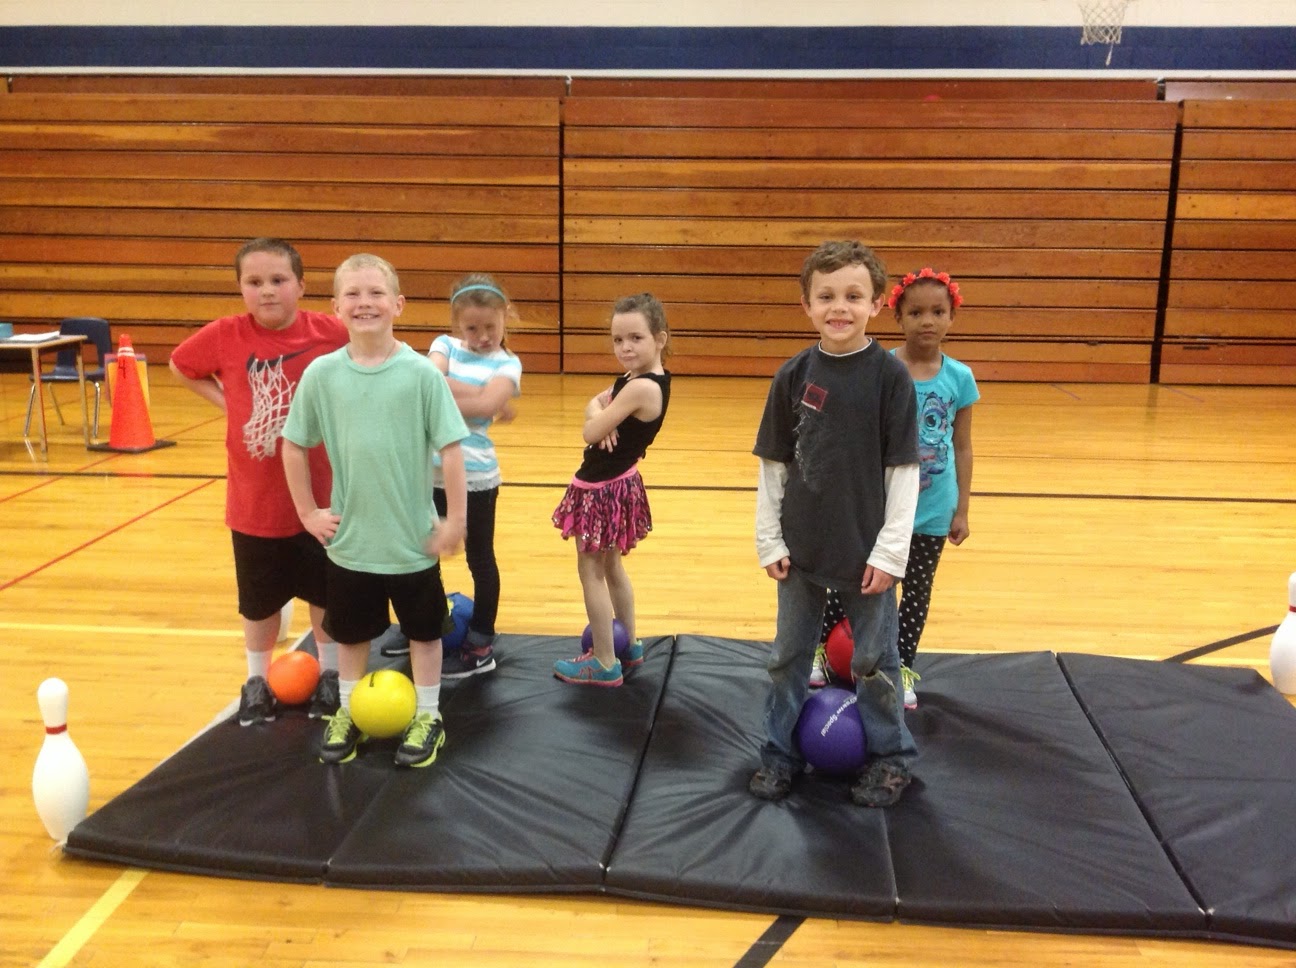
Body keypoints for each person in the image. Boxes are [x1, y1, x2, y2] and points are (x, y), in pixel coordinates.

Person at [281, 254, 470, 768]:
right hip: (351, 542)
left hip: (411, 540)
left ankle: (428, 714)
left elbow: (452, 449)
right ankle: (347, 710)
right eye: (353, 294)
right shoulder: (322, 375)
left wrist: (455, 520)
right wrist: (307, 513)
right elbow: (294, 445)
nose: (365, 302)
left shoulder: (420, 375)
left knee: (425, 634)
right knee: (351, 634)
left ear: (398, 305)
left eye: (376, 293)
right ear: (336, 306)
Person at [751, 240, 920, 808]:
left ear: (876, 304)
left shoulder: (890, 379)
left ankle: (890, 758)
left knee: (876, 662)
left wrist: (890, 553)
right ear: (806, 305)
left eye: (853, 295)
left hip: (866, 554)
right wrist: (769, 539)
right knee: (787, 658)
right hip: (799, 551)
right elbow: (774, 466)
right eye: (826, 296)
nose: (839, 307)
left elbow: (902, 473)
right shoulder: (793, 375)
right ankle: (779, 753)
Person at [169, 237, 348, 727]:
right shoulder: (225, 335)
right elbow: (180, 365)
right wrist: (228, 403)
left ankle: (331, 675)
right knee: (259, 600)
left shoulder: (331, 331)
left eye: (278, 280)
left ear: (301, 285)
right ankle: (255, 679)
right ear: (240, 288)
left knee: (325, 594)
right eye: (254, 282)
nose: (267, 291)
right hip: (255, 502)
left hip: (323, 496)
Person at [810, 269, 978, 711]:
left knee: (916, 593)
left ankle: (900, 666)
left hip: (932, 510)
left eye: (938, 312)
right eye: (917, 312)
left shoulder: (960, 378)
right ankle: (825, 651)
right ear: (897, 316)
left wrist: (961, 509)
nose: (928, 321)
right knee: (853, 582)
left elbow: (961, 445)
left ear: (952, 318)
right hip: (877, 507)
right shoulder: (878, 368)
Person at [551, 293, 671, 687]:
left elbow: (590, 430)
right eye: (618, 340)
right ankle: (631, 646)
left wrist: (599, 419)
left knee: (591, 570)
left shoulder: (641, 388)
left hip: (600, 489)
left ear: (660, 338)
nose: (625, 348)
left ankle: (603, 661)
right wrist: (600, 414)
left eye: (635, 338)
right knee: (612, 564)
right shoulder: (636, 380)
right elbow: (594, 405)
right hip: (619, 483)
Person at [427, 274, 522, 678]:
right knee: (420, 554)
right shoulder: (444, 345)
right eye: (472, 328)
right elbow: (425, 383)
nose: (483, 337)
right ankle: (426, 626)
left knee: (479, 557)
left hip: (477, 477)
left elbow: (482, 399)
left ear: (505, 319)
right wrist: (479, 399)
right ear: (456, 326)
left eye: (491, 328)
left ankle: (481, 640)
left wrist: (444, 391)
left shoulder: (509, 364)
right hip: (427, 474)